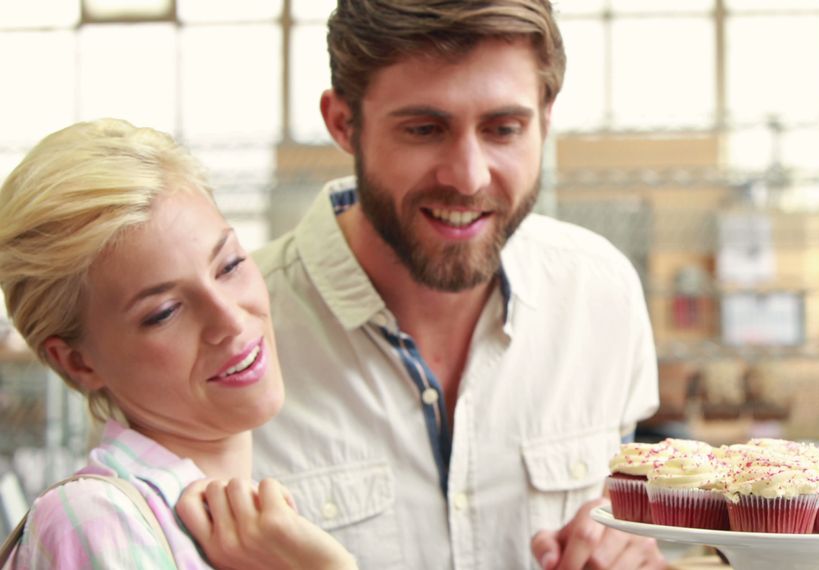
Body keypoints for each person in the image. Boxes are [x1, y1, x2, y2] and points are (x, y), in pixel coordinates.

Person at [251, 1, 664, 568]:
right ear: (345, 124)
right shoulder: (233, 337)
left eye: (503, 129)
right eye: (424, 129)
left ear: (545, 118)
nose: (468, 177)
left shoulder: (600, 295)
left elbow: (627, 523)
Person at [0, 118, 356, 569]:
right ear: (76, 361)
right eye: (165, 312)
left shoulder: (260, 525)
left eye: (228, 266)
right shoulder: (97, 521)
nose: (229, 318)